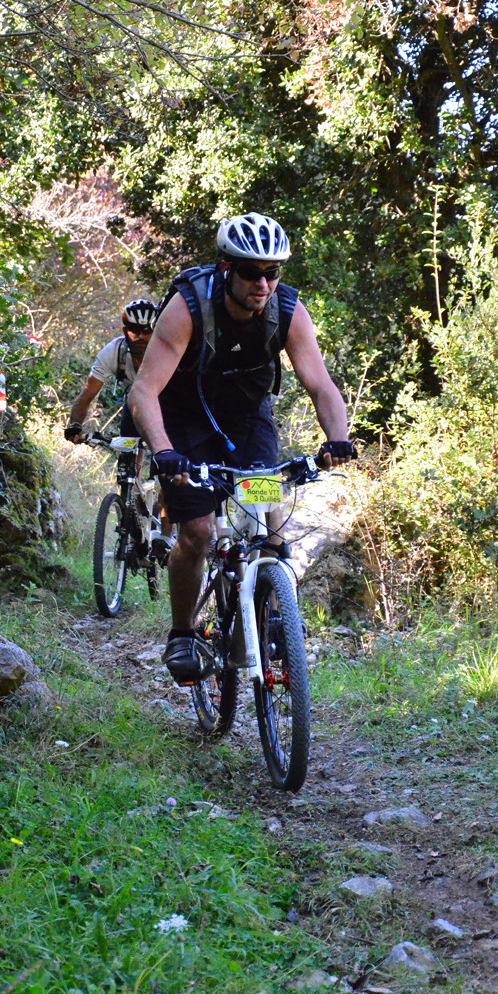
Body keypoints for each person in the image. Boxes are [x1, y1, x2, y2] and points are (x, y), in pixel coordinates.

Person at [128, 212, 356, 684]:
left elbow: (321, 384)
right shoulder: (189, 307)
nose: (263, 284)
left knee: (267, 521)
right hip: (184, 420)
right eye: (252, 272)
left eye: (273, 272)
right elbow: (144, 391)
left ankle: (274, 616)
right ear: (227, 268)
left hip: (248, 418)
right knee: (198, 532)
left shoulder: (287, 310)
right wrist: (164, 452)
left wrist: (338, 438)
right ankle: (183, 633)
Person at [64, 298, 159, 442]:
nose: (140, 337)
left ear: (156, 331)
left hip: (168, 400)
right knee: (128, 442)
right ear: (125, 331)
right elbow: (87, 394)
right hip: (135, 401)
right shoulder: (114, 351)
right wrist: (75, 426)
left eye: (147, 331)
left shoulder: (168, 351)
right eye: (134, 331)